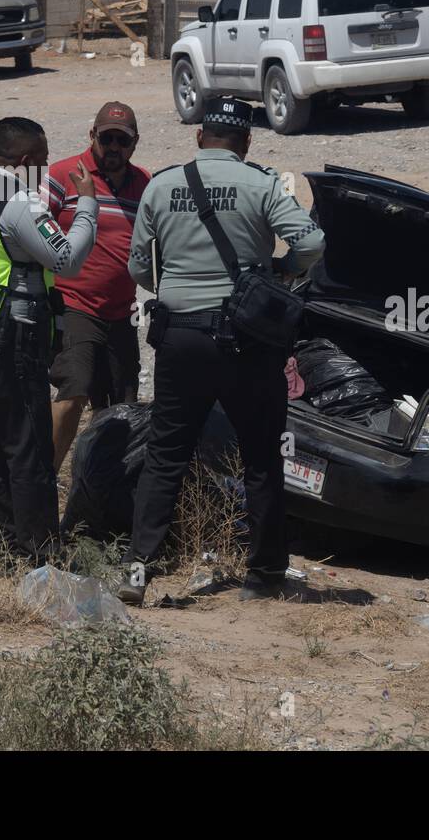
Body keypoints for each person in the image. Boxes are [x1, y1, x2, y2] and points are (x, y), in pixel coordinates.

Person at [119, 97, 325, 605]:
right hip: (247, 342)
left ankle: (137, 569)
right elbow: (313, 242)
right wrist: (278, 271)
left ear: (199, 136)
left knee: (166, 453)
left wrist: (172, 286)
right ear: (248, 141)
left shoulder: (163, 185)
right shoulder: (261, 184)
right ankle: (264, 576)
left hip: (180, 337)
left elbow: (138, 269)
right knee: (260, 456)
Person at [0, 118, 98, 565]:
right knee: (28, 446)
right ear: (25, 162)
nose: (46, 171)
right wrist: (87, 205)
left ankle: (6, 548)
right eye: (42, 162)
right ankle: (40, 554)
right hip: (11, 342)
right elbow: (66, 258)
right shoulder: (20, 203)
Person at [42, 102, 151, 472]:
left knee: (120, 408)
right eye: (107, 139)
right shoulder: (63, 175)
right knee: (74, 392)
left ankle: (94, 492)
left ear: (134, 144)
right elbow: (32, 229)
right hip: (74, 305)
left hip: (122, 312)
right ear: (93, 137)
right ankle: (43, 484)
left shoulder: (145, 184)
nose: (114, 147)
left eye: (123, 140)